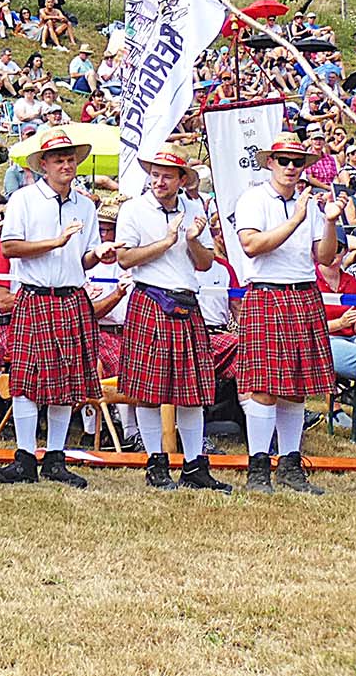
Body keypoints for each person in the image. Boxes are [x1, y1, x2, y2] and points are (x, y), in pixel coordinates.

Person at [0, 128, 120, 488]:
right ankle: (25, 458)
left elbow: (86, 259)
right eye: (58, 158)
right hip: (34, 295)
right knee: (27, 382)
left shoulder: (85, 205)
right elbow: (11, 247)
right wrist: (55, 242)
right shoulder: (24, 200)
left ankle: (56, 459)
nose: (66, 164)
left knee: (66, 382)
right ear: (43, 164)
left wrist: (100, 254)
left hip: (71, 297)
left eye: (70, 158)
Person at [114, 150, 233, 490]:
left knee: (191, 393)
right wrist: (166, 242)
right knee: (150, 393)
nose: (158, 181)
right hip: (151, 298)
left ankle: (195, 466)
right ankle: (156, 464)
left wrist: (192, 240)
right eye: (154, 174)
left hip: (186, 300)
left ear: (182, 180)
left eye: (167, 175)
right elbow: (124, 259)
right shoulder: (133, 210)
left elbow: (206, 263)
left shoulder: (195, 210)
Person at [234, 132, 343, 495]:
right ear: (270, 163)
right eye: (285, 161)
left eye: (298, 162)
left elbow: (325, 257)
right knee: (264, 387)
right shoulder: (252, 199)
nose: (292, 168)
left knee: (297, 388)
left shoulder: (308, 205)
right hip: (267, 293)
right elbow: (251, 246)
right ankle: (259, 467)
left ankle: (291, 465)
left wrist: (328, 221)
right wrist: (296, 219)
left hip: (303, 293)